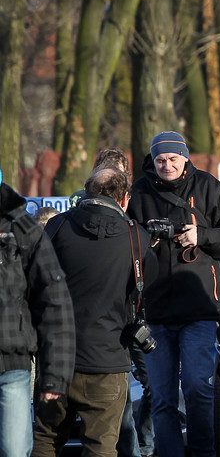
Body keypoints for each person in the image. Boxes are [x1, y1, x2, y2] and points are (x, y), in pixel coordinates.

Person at [126, 131, 220, 457]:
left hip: (200, 309)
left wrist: (201, 236)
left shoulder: (208, 186)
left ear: (185, 158)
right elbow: (125, 246)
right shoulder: (139, 192)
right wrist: (144, 241)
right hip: (155, 310)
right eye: (160, 160)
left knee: (198, 388)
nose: (166, 165)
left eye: (173, 159)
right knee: (162, 397)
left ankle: (203, 452)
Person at [35, 168, 153, 457]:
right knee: (101, 448)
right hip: (108, 361)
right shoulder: (136, 237)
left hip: (57, 360)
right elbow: (146, 292)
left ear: (86, 192)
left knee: (45, 441)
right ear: (124, 198)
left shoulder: (57, 227)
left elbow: (35, 285)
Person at [0, 175, 75, 457]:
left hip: (12, 363)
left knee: (15, 450)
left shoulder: (23, 230)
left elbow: (54, 301)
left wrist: (54, 377)